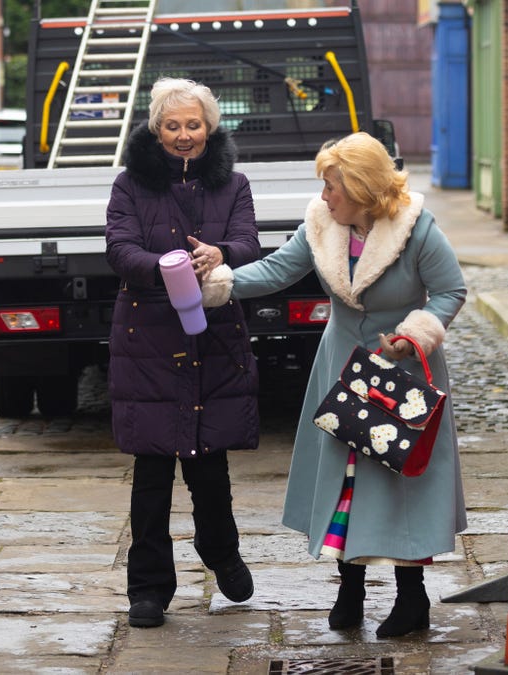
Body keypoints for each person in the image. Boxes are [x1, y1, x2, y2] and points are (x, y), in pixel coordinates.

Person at [202, 131, 468, 638]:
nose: (323, 196)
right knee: (346, 479)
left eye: (332, 187)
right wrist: (222, 282)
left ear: (363, 189)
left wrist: (415, 336)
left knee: (398, 483)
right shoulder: (323, 222)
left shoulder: (417, 227)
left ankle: (413, 600)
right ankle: (350, 590)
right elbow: (279, 268)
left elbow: (450, 291)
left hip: (401, 371)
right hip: (342, 366)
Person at [105, 77, 261, 628]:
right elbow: (119, 249)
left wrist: (220, 254)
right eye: (172, 126)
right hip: (147, 341)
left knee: (209, 465)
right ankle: (147, 589)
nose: (183, 135)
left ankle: (220, 552)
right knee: (151, 476)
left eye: (193, 124)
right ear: (156, 128)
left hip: (212, 337)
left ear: (209, 127)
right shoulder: (130, 184)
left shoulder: (234, 183)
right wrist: (165, 267)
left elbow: (248, 242)